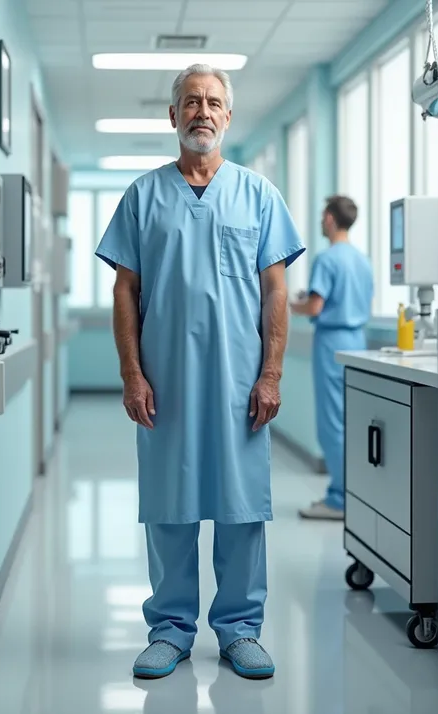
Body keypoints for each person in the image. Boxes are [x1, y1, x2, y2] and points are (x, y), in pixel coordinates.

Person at [95, 63, 305, 680]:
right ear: (173, 116)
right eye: (191, 101)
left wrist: (271, 375)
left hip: (240, 382)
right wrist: (132, 374)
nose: (202, 111)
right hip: (167, 381)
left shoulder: (258, 194)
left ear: (228, 116)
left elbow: (276, 295)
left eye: (213, 101)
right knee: (169, 506)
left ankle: (240, 630)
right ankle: (170, 629)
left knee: (242, 508)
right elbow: (125, 294)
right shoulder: (143, 196)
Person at [291, 196, 373, 521]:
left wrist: (288, 304)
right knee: (352, 420)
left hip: (332, 344)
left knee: (332, 424)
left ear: (328, 219)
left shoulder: (327, 260)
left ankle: (340, 499)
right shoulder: (362, 260)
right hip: (358, 341)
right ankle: (355, 492)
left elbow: (315, 307)